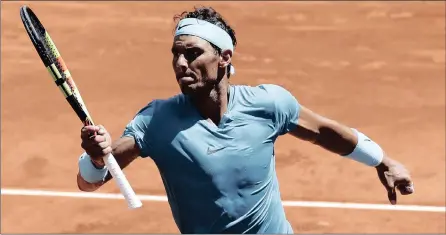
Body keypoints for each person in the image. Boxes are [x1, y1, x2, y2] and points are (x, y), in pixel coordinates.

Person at [76, 6, 414, 234]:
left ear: (224, 57)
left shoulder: (268, 104)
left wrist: (381, 160)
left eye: (192, 53)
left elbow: (324, 131)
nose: (180, 63)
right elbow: (90, 180)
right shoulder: (156, 121)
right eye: (176, 54)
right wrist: (95, 155)